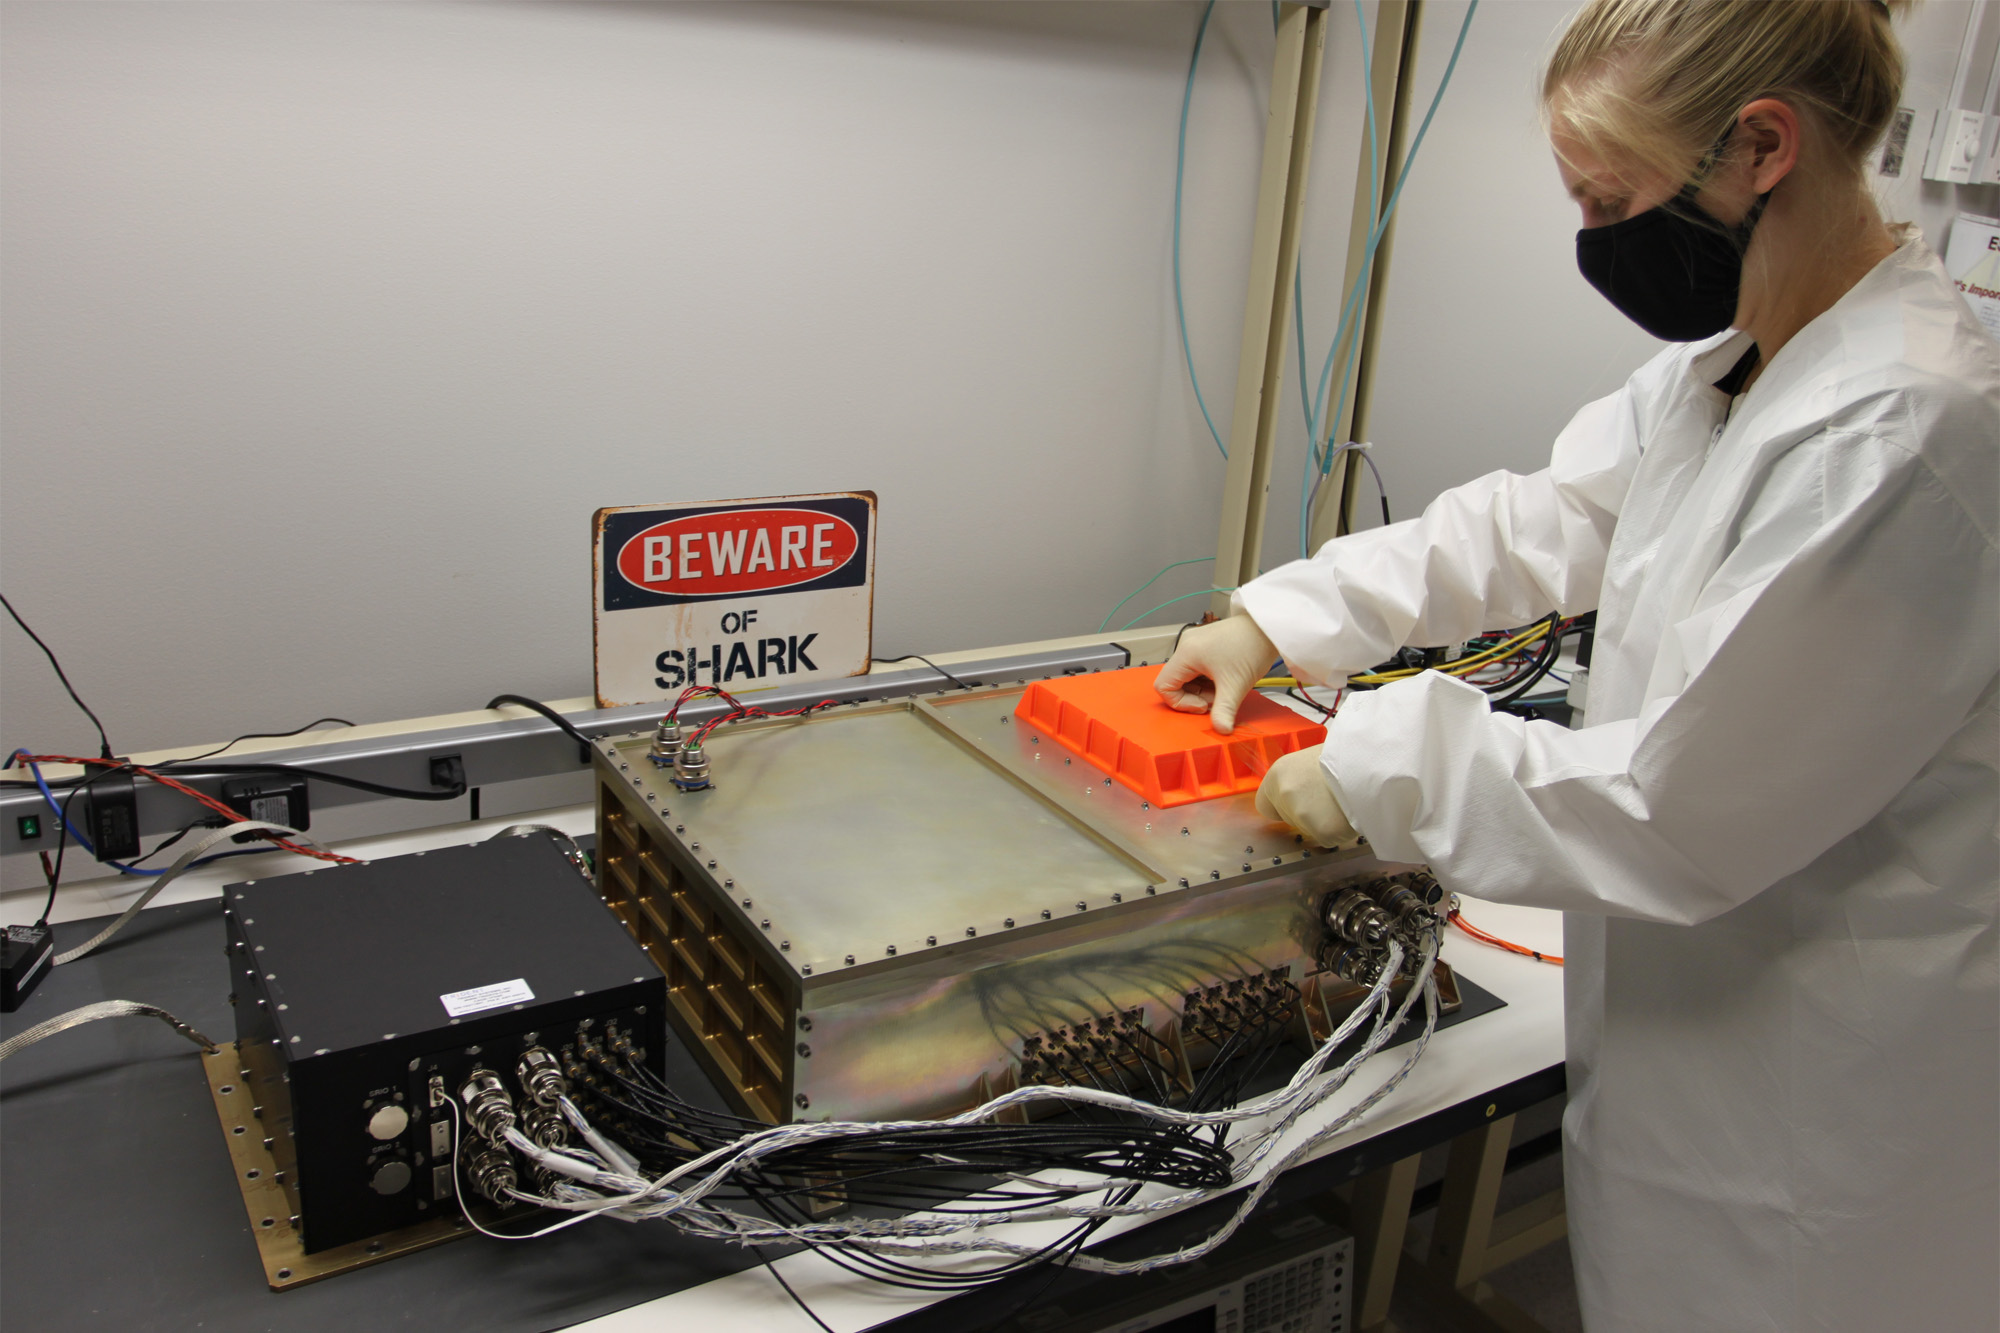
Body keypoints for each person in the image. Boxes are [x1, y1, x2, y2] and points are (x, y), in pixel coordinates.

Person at [1155, 1, 1998, 1327]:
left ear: (1761, 148)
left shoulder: (1902, 431)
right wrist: (1287, 615)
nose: (1598, 239)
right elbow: (1548, 516)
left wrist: (1379, 761)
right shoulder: (1736, 361)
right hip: (1690, 1054)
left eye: (1612, 196)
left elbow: (1680, 807)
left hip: (1818, 1128)